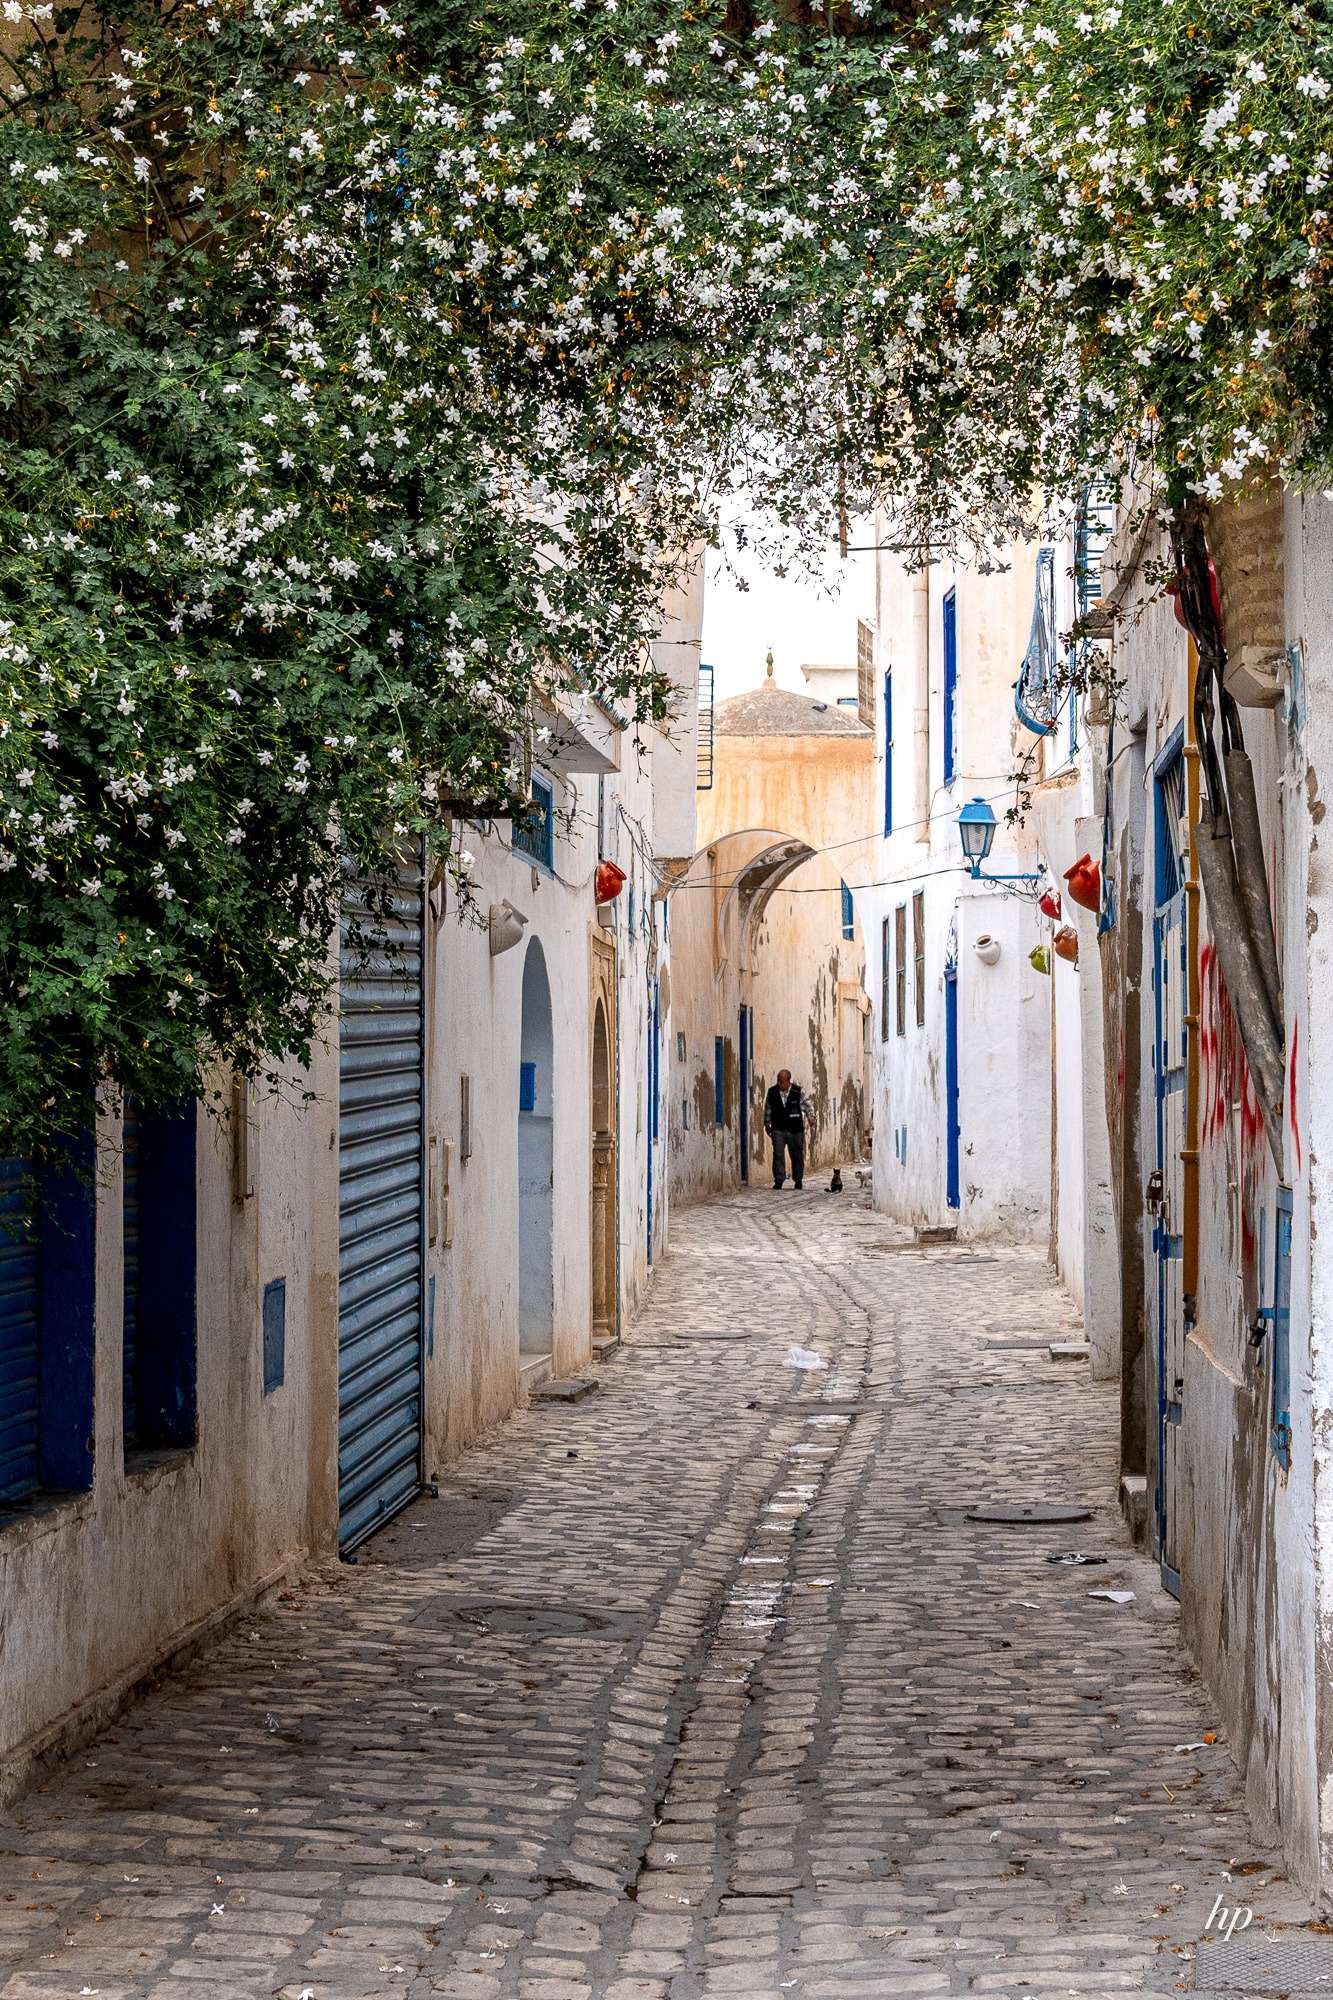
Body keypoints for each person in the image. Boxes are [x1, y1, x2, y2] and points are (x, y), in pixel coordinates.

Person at [764, 1069, 811, 1189]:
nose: (779, 1084)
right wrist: (767, 1124)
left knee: (796, 1154)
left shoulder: (797, 1092)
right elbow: (768, 1109)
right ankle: (779, 1179)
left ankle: (798, 1179)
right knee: (778, 1153)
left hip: (795, 1129)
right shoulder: (772, 1092)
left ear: (788, 1081)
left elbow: (807, 1105)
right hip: (778, 1128)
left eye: (782, 1081)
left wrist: (811, 1117)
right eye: (778, 1081)